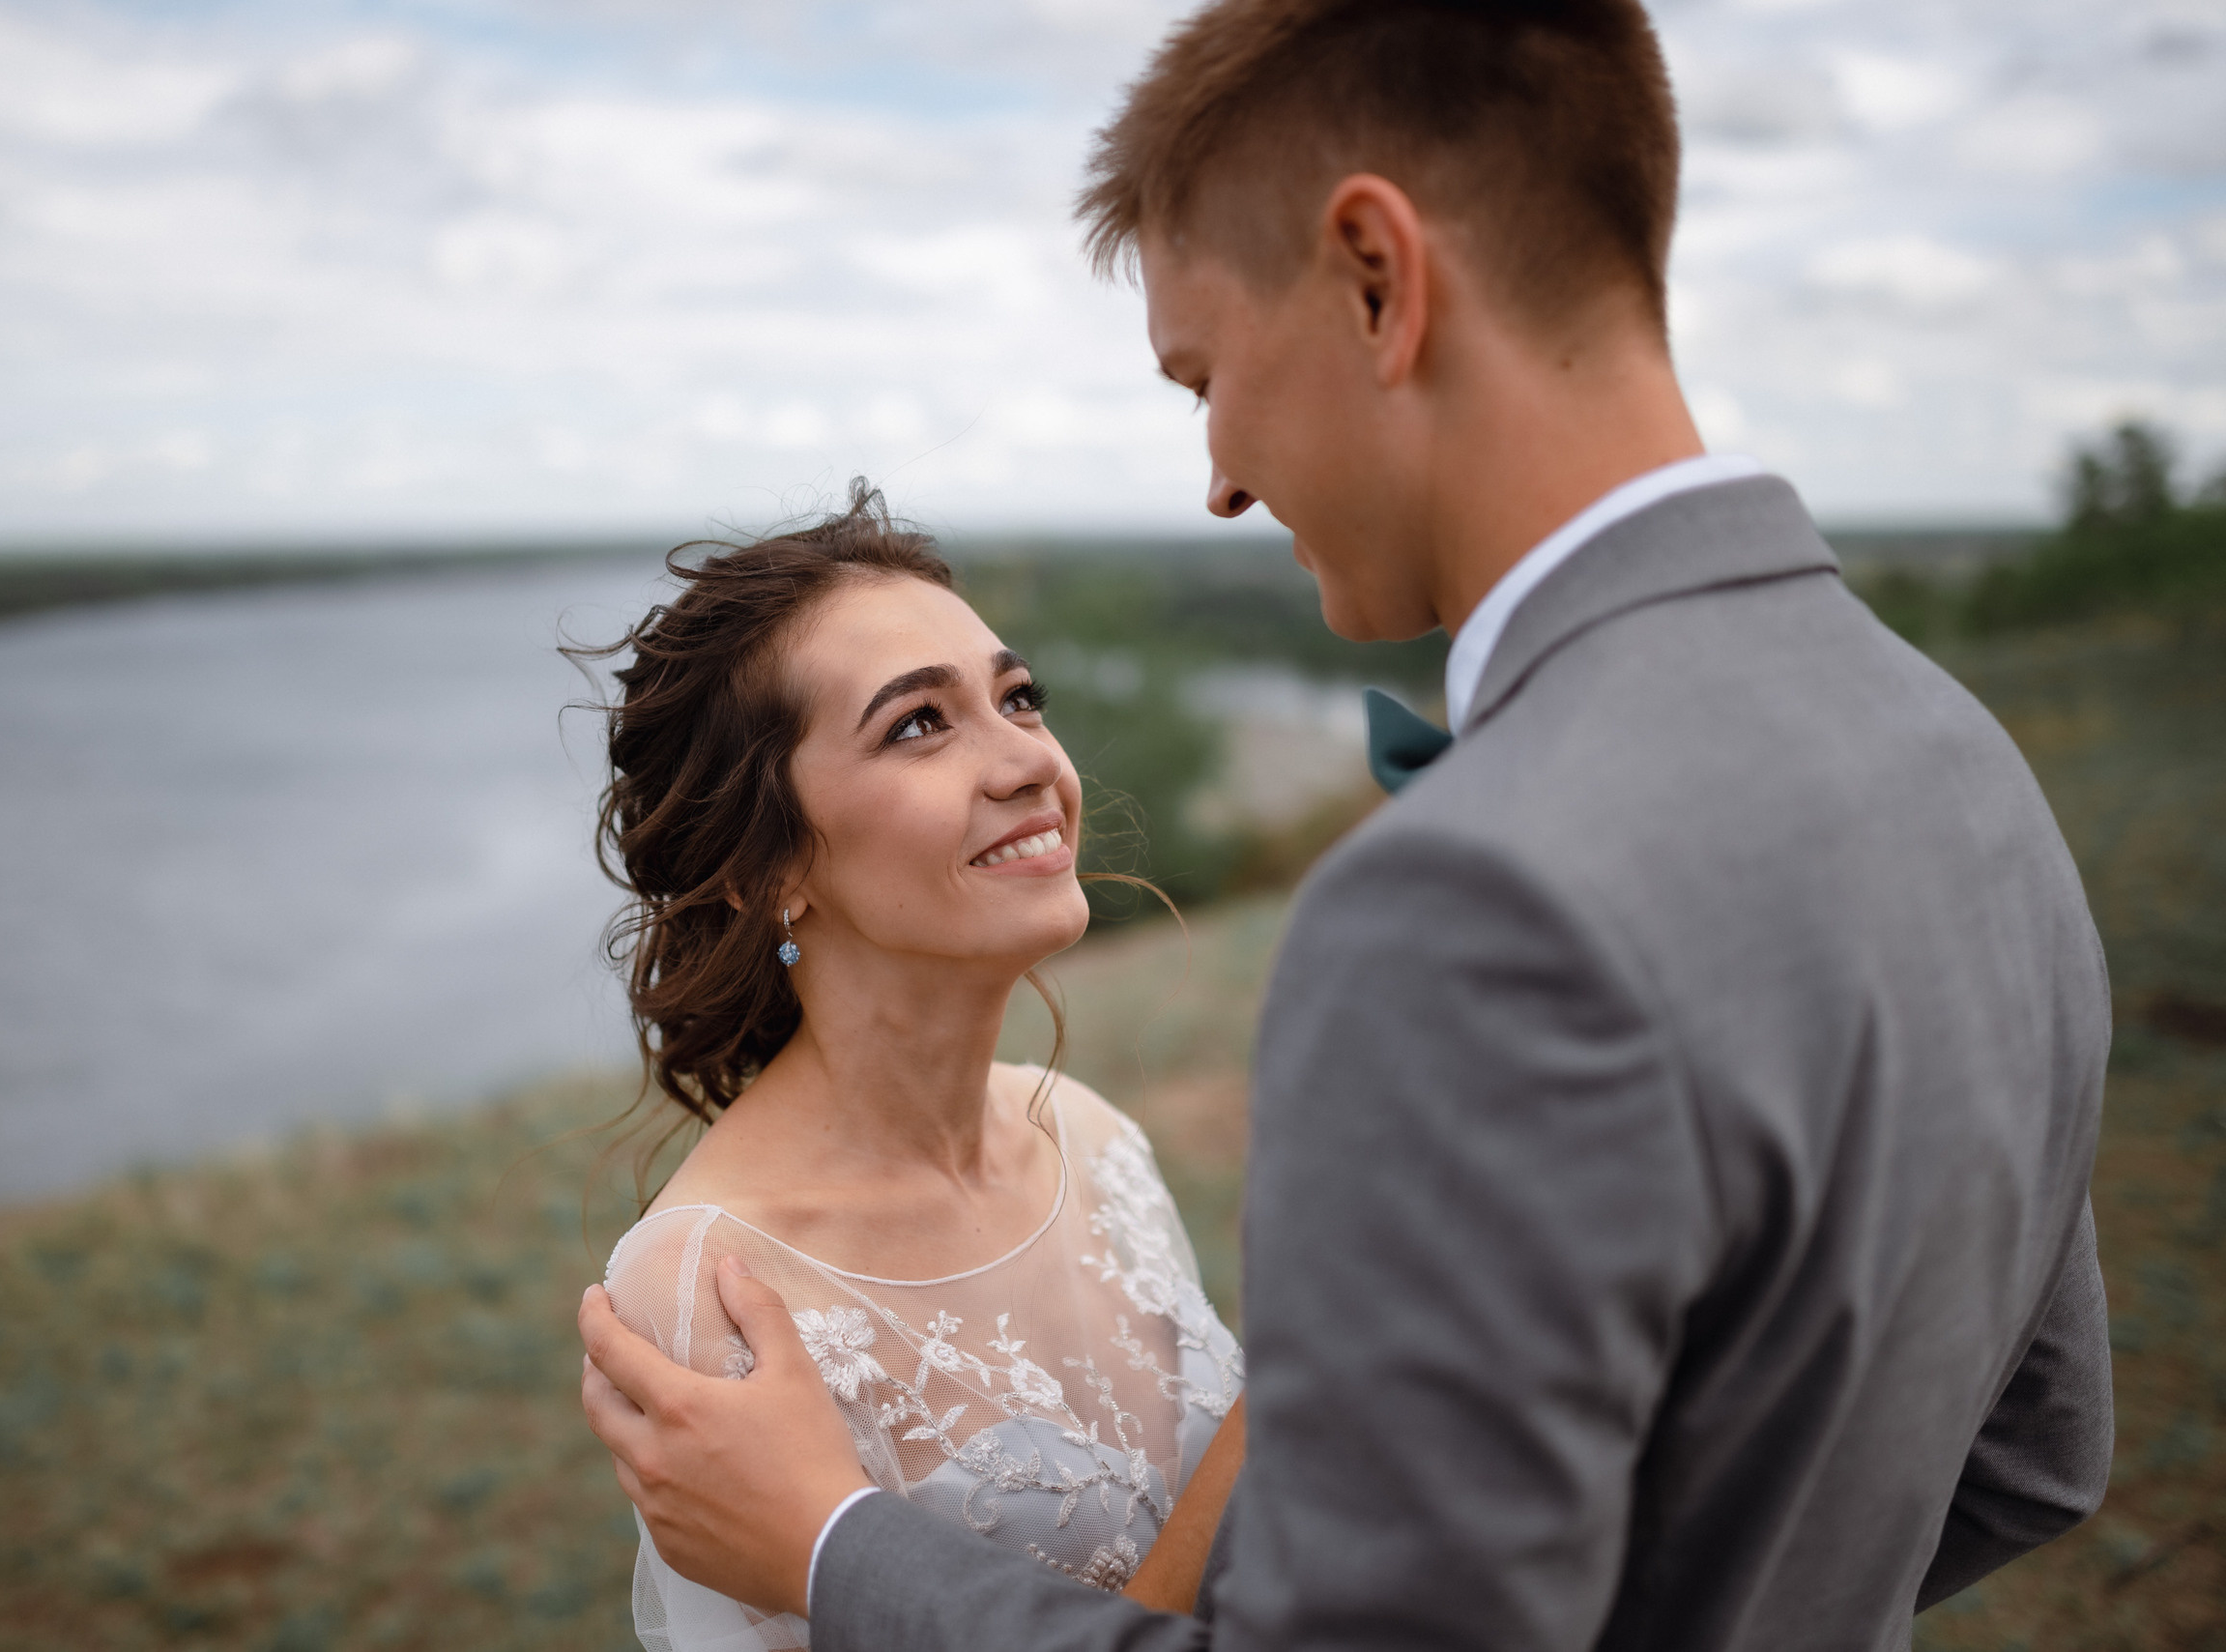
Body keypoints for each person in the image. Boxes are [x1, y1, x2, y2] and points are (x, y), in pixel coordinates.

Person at [579, 1, 2116, 1647]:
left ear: (1376, 276)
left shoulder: (1475, 900)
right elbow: (2031, 1454)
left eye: (1208, 373)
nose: (1224, 475)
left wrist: (834, 1549)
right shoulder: (1963, 758)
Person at [574, 494, 1247, 1651]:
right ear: (767, 864)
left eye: (1017, 696)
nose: (1027, 758)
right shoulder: (710, 1283)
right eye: (918, 725)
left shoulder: (1092, 1138)